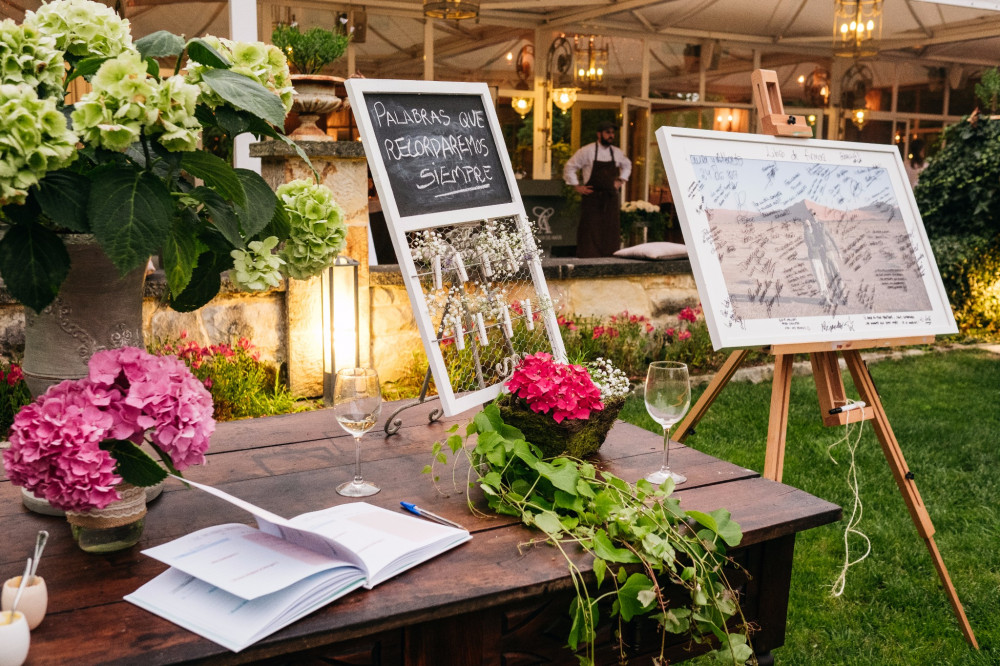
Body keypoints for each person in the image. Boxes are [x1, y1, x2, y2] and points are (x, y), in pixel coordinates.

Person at [563, 121, 632, 258]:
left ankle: (610, 259)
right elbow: (569, 167)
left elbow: (627, 165)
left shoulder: (617, 153)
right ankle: (587, 261)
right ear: (599, 134)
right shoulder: (586, 151)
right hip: (592, 198)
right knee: (590, 230)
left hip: (610, 198)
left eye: (612, 133)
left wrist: (621, 180)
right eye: (608, 132)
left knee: (610, 231)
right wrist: (577, 186)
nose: (611, 136)